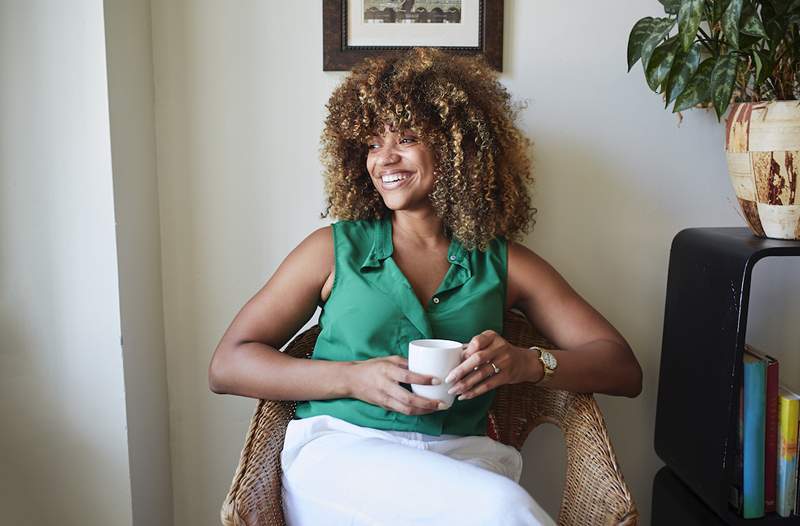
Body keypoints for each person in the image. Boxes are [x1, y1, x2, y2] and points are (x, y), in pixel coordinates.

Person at [209, 47, 642, 526]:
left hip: (462, 460)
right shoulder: (332, 249)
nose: (385, 158)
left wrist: (527, 363)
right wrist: (352, 377)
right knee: (504, 509)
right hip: (342, 456)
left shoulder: (505, 262)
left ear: (459, 148)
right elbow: (228, 364)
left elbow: (622, 368)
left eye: (407, 138)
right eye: (372, 143)